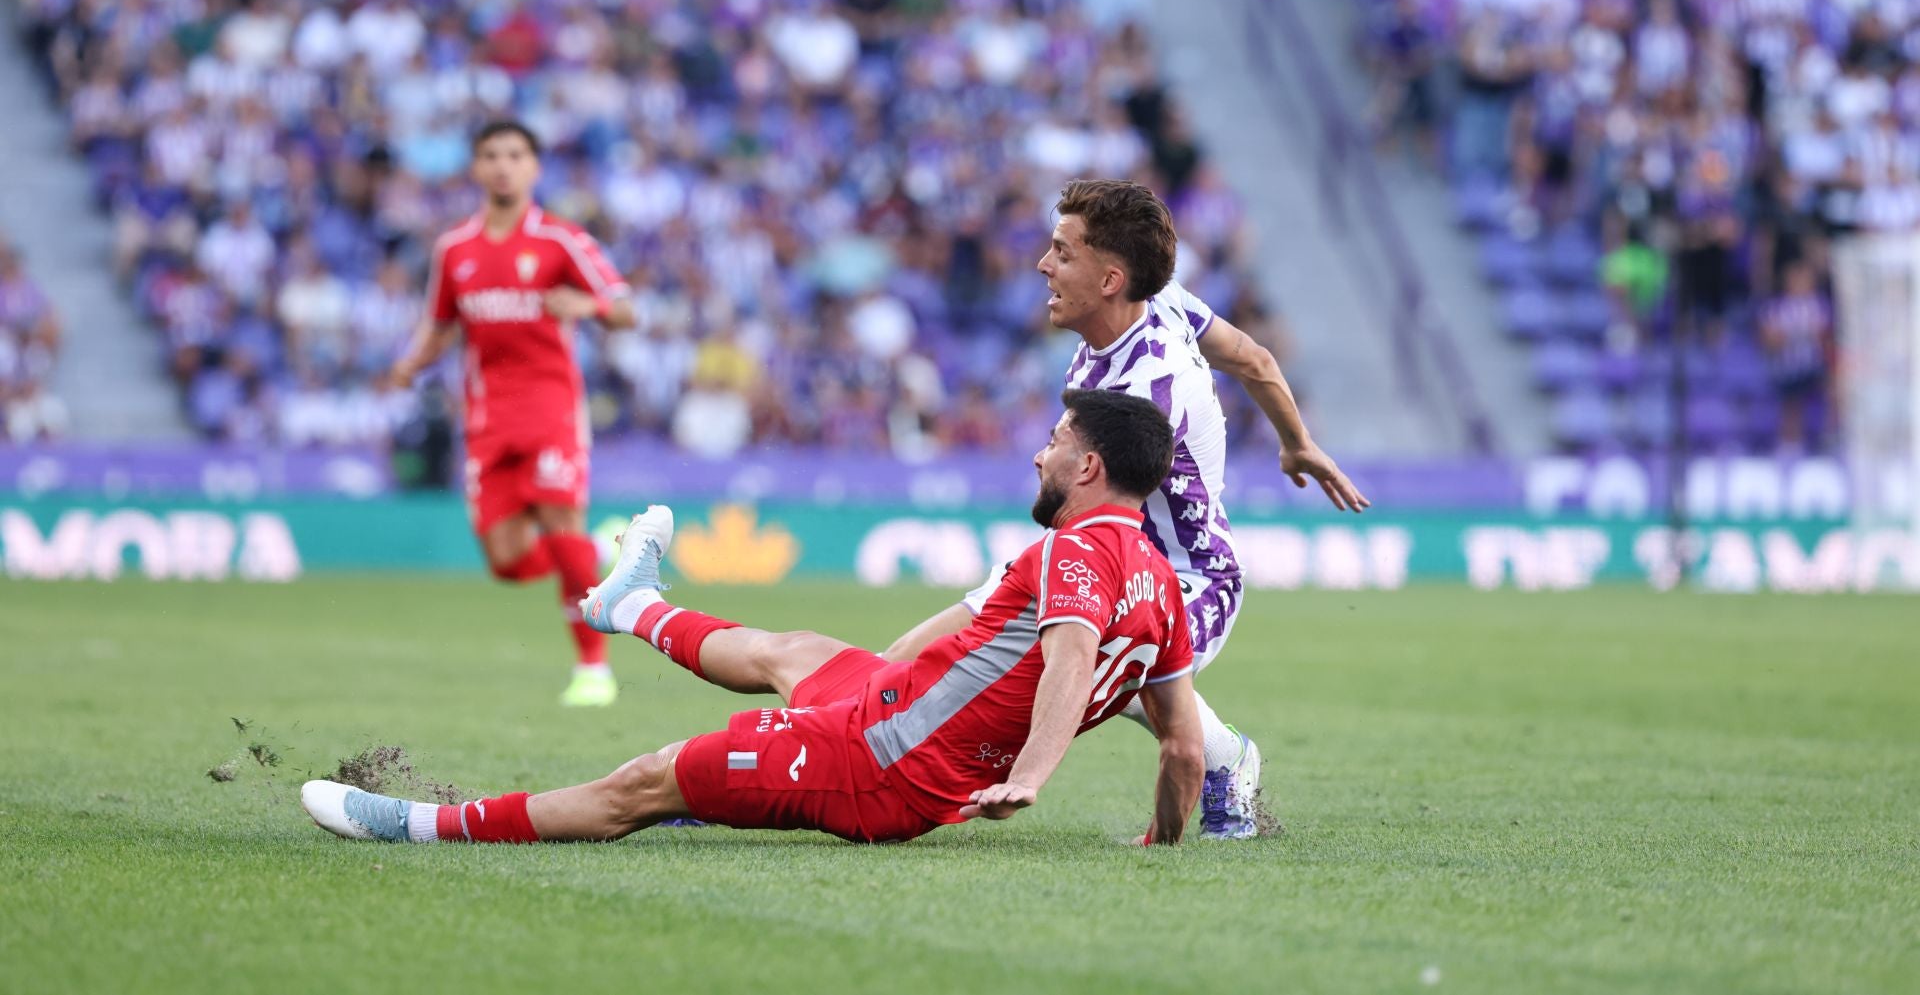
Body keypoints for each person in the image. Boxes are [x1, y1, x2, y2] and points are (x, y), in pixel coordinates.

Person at [302, 389, 1206, 846]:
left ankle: (421, 824)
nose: (1040, 455)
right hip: (896, 707)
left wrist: (1032, 777)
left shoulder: (1073, 553)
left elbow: (1069, 661)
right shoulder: (1160, 583)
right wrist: (1163, 841)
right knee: (794, 649)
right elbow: (1183, 747)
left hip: (881, 765)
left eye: (1055, 442)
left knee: (647, 781)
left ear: (1088, 468)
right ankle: (634, 603)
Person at [884, 179, 1369, 839]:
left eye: (1062, 253)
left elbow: (1108, 534)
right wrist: (1298, 443)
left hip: (1184, 578)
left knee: (1079, 663)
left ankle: (1225, 759)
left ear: (1110, 280)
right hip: (1097, 555)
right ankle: (846, 728)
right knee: (913, 650)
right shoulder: (1161, 299)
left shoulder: (1144, 397)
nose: (1042, 265)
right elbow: (1252, 358)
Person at [387, 120, 636, 707]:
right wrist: (410, 363)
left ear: (534, 167)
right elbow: (440, 325)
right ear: (476, 167)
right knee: (505, 562)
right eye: (491, 155)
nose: (503, 165)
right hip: (487, 422)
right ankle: (599, 550)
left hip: (552, 412)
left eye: (516, 155)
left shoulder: (561, 240)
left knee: (560, 530)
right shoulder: (455, 249)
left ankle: (593, 669)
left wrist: (587, 305)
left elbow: (626, 309)